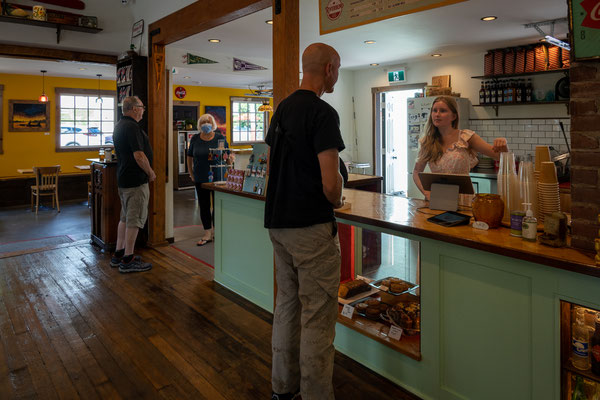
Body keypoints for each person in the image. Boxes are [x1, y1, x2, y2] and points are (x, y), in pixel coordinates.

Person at [264, 42, 345, 400]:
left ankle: (282, 388)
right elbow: (330, 184)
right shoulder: (323, 113)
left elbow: (270, 168)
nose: (337, 75)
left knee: (287, 306)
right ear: (328, 68)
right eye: (338, 69)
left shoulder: (281, 109)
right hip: (311, 228)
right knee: (317, 316)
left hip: (278, 224)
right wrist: (339, 194)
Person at [413, 95, 509, 201]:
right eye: (434, 110)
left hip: (463, 199)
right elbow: (417, 171)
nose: (437, 114)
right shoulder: (427, 142)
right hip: (437, 199)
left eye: (443, 111)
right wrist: (426, 193)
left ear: (454, 116)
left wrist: (503, 145)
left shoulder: (466, 137)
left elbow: (500, 157)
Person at [110, 96, 155, 273]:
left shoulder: (120, 125)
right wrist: (150, 172)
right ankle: (128, 259)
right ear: (135, 108)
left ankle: (119, 253)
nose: (143, 110)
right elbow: (139, 155)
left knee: (125, 217)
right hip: (136, 181)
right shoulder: (132, 127)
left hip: (124, 179)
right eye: (142, 107)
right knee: (134, 220)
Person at [186, 114, 233, 246]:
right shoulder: (195, 138)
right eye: (203, 122)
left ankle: (217, 231)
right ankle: (207, 232)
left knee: (217, 205)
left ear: (213, 124)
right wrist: (191, 173)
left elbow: (227, 156)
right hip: (200, 176)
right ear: (199, 124)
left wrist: (230, 166)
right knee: (204, 205)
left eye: (208, 121)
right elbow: (189, 157)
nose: (206, 124)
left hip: (218, 177)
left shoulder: (219, 138)